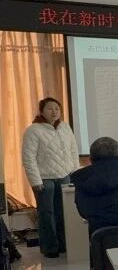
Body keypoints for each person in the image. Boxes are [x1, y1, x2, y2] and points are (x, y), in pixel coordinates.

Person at [21, 97, 80, 257]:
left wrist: (75, 172)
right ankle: (50, 248)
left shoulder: (65, 127)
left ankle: (64, 245)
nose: (54, 111)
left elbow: (73, 150)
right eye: (49, 108)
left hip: (65, 175)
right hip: (44, 178)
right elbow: (28, 158)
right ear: (41, 111)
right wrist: (35, 180)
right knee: (47, 213)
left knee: (64, 212)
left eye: (57, 108)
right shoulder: (33, 130)